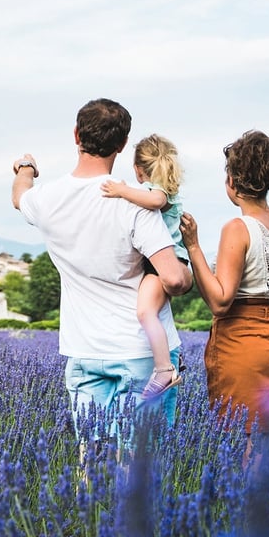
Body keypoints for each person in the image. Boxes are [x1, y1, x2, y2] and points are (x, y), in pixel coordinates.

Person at [11, 99, 193, 450]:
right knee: (141, 469)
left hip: (85, 350)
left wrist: (26, 168)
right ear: (123, 145)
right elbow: (172, 279)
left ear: (76, 136)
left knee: (91, 463)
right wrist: (187, 271)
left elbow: (20, 197)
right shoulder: (133, 202)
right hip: (143, 354)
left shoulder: (48, 200)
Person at [179, 130, 269, 432]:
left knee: (242, 444)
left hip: (241, 346)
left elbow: (220, 300)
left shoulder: (238, 228)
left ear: (232, 183)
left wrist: (194, 247)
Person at [99, 134, 189, 400]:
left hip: (164, 264)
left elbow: (156, 201)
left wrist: (121, 190)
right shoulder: (158, 188)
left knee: (145, 311)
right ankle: (166, 364)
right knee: (147, 311)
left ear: (139, 169)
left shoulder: (158, 190)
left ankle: (164, 369)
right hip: (161, 262)